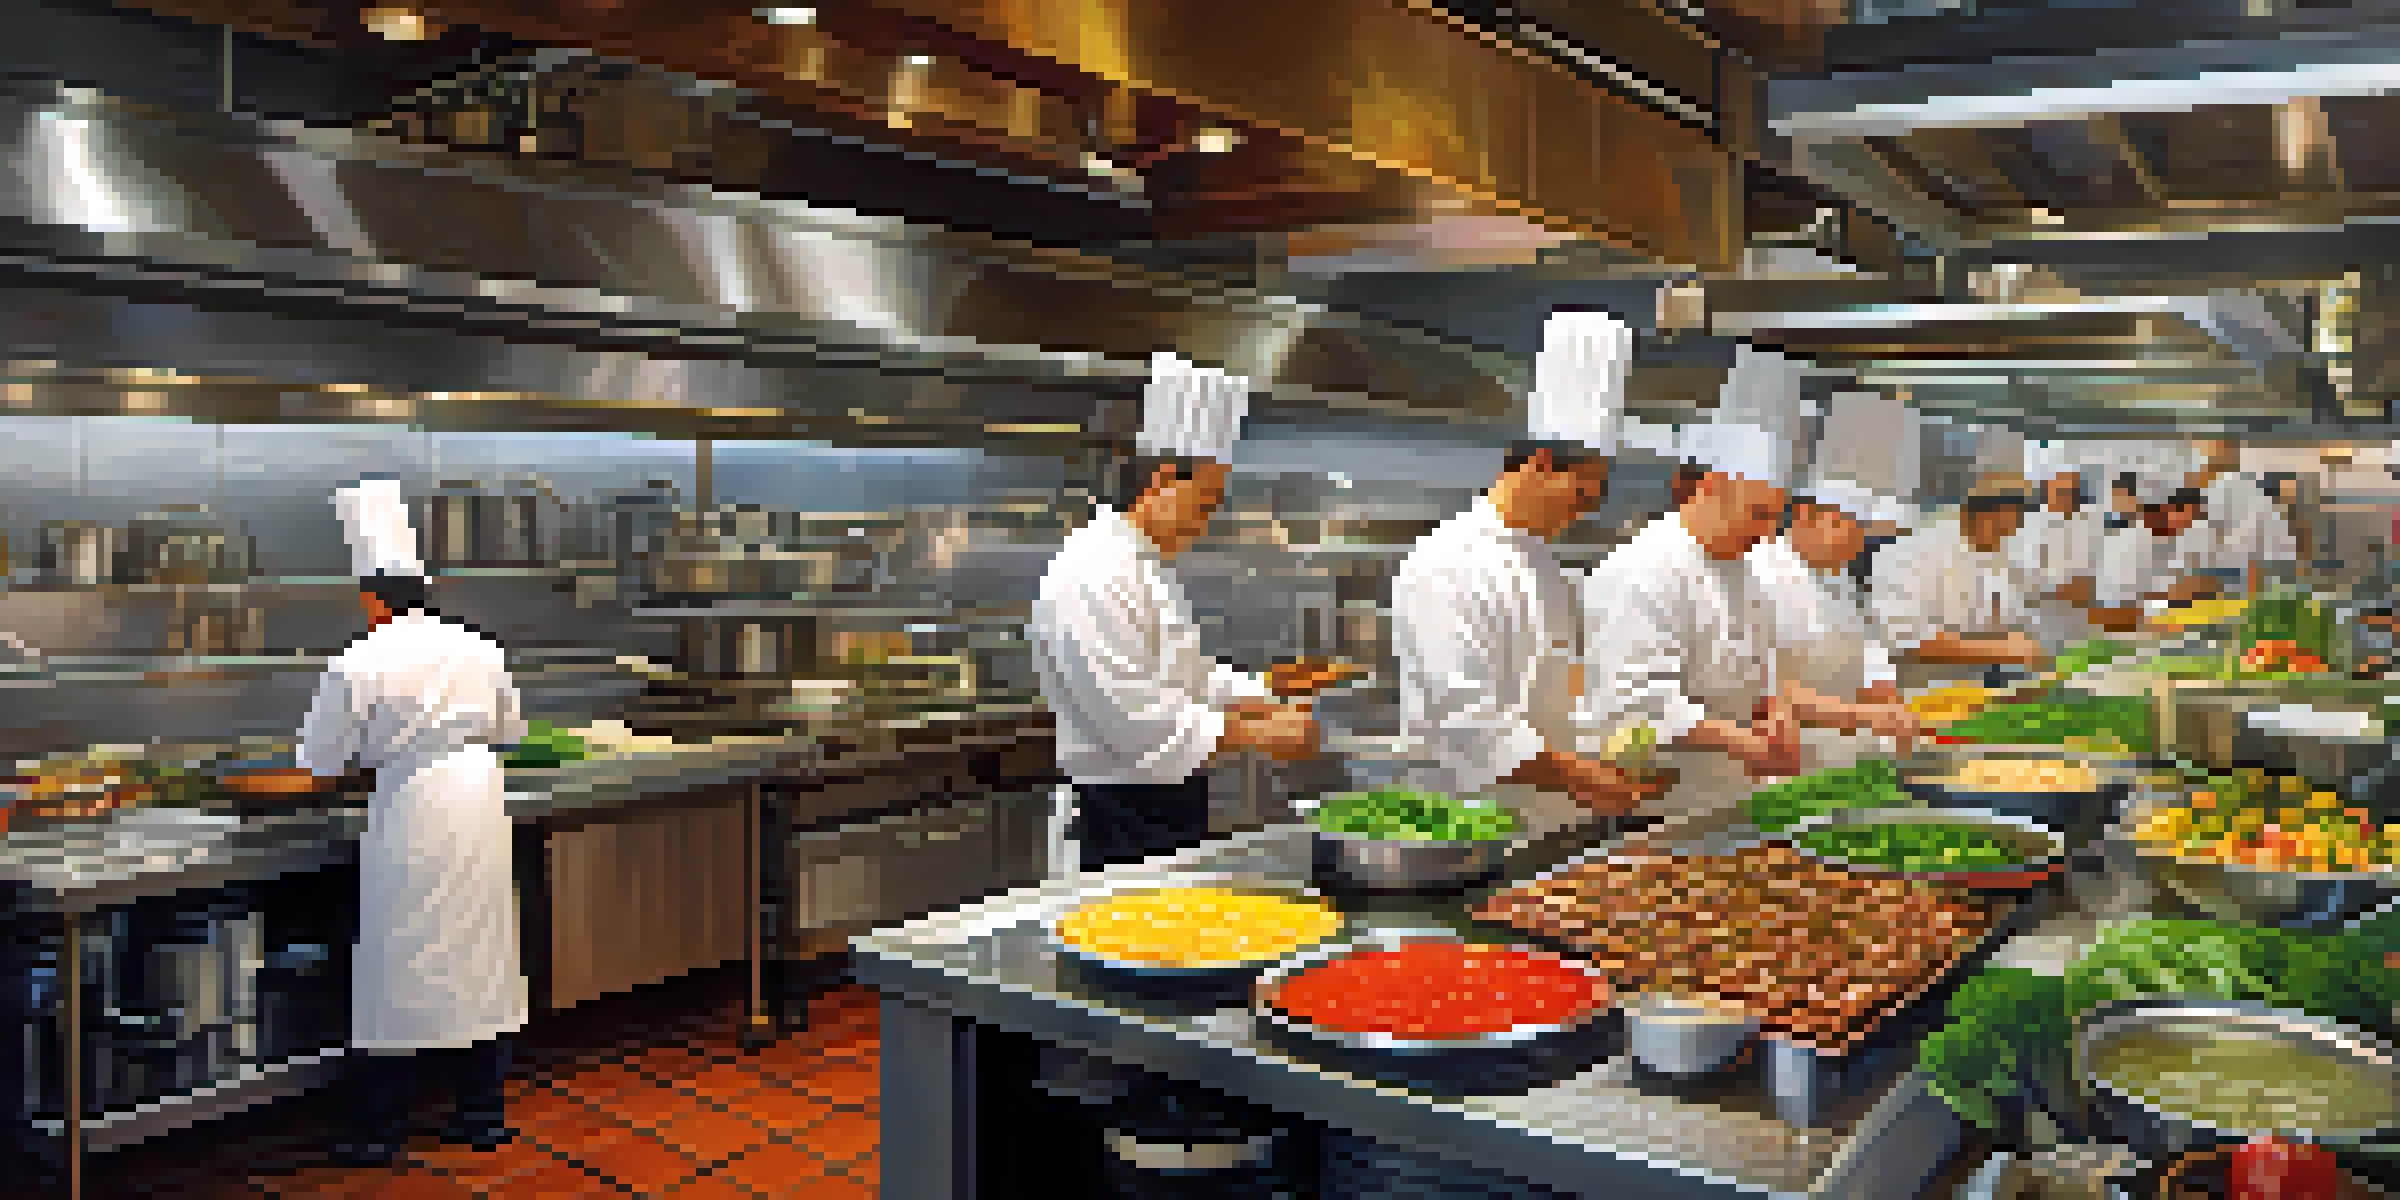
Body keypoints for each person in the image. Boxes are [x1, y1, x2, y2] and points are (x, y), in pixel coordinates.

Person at [225, 479, 527, 1167]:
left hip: (413, 807)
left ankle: (380, 1129)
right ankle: (482, 1114)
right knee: (483, 952)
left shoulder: (357, 660)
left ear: (370, 597)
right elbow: (508, 731)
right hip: (479, 800)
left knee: (396, 958)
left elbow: (319, 764)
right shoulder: (481, 647)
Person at [1028, 353, 1318, 873]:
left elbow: (1184, 677)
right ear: (1164, 481)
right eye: (1204, 504)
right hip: (1117, 815)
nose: (1204, 524)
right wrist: (1261, 733)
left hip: (1163, 802)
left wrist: (1265, 693)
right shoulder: (1094, 570)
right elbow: (1131, 720)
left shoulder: (1139, 563)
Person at [1393, 309, 1662, 815]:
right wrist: (1576, 774)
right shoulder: (1445, 563)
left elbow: (1563, 689)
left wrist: (1611, 751)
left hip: (1549, 811)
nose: (1585, 511)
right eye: (1581, 493)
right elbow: (1461, 718)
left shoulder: (1548, 568)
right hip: (1465, 818)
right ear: (1540, 465)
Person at [1580, 344, 1811, 816]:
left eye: (1776, 517)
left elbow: (1755, 668)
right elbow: (1635, 701)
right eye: (1758, 514)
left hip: (1729, 799)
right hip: (1656, 806)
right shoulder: (1642, 569)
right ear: (1709, 487)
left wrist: (1773, 710)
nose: (1769, 533)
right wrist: (1741, 741)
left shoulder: (1743, 568)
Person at [1750, 390, 1928, 771]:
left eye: (1868, 532)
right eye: (1852, 528)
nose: (1860, 543)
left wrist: (1888, 700)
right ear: (1806, 514)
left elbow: (1866, 651)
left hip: (1851, 760)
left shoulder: (1838, 574)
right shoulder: (1758, 572)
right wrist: (1859, 714)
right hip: (1785, 767)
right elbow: (1759, 687)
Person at [1872, 474, 2048, 690]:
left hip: (1980, 682)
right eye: (2001, 528)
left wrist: (2019, 642)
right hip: (1919, 686)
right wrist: (1998, 649)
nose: (2005, 537)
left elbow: (2007, 616)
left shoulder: (1998, 551)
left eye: (2013, 528)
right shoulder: (1912, 554)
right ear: (1977, 515)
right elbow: (1908, 641)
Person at [2086, 479, 2218, 633]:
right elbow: (2127, 594)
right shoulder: (2132, 540)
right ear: (2166, 510)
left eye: (2192, 518)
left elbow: (2176, 582)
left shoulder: (2166, 540)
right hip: (2123, 616)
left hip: (2147, 612)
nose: (2186, 524)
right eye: (2184, 516)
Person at [2016, 440, 2106, 653]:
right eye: (2060, 480)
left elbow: (2106, 563)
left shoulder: (2092, 519)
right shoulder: (2030, 525)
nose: (2068, 487)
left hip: (2092, 623)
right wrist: (2064, 589)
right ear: (2046, 484)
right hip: (2045, 628)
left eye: (2071, 479)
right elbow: (2025, 582)